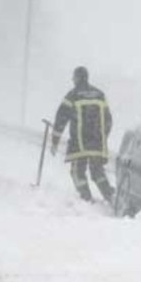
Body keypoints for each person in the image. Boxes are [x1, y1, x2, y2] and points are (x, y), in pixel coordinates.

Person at [50, 66, 114, 203]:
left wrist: (55, 140)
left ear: (77, 78)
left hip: (79, 144)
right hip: (97, 143)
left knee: (77, 172)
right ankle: (111, 198)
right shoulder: (100, 95)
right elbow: (108, 120)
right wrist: (102, 137)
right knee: (98, 172)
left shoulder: (72, 96)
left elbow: (61, 119)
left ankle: (86, 200)